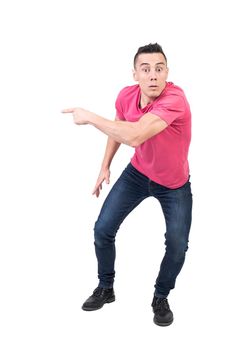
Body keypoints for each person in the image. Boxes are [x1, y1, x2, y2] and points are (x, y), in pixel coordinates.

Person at [62, 43, 192, 326]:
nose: (153, 75)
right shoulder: (126, 95)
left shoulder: (175, 100)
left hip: (174, 184)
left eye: (159, 69)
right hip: (137, 173)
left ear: (167, 72)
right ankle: (106, 288)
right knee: (103, 229)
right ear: (135, 75)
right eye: (146, 69)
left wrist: (89, 116)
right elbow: (119, 127)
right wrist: (104, 165)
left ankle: (160, 296)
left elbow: (134, 135)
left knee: (178, 244)